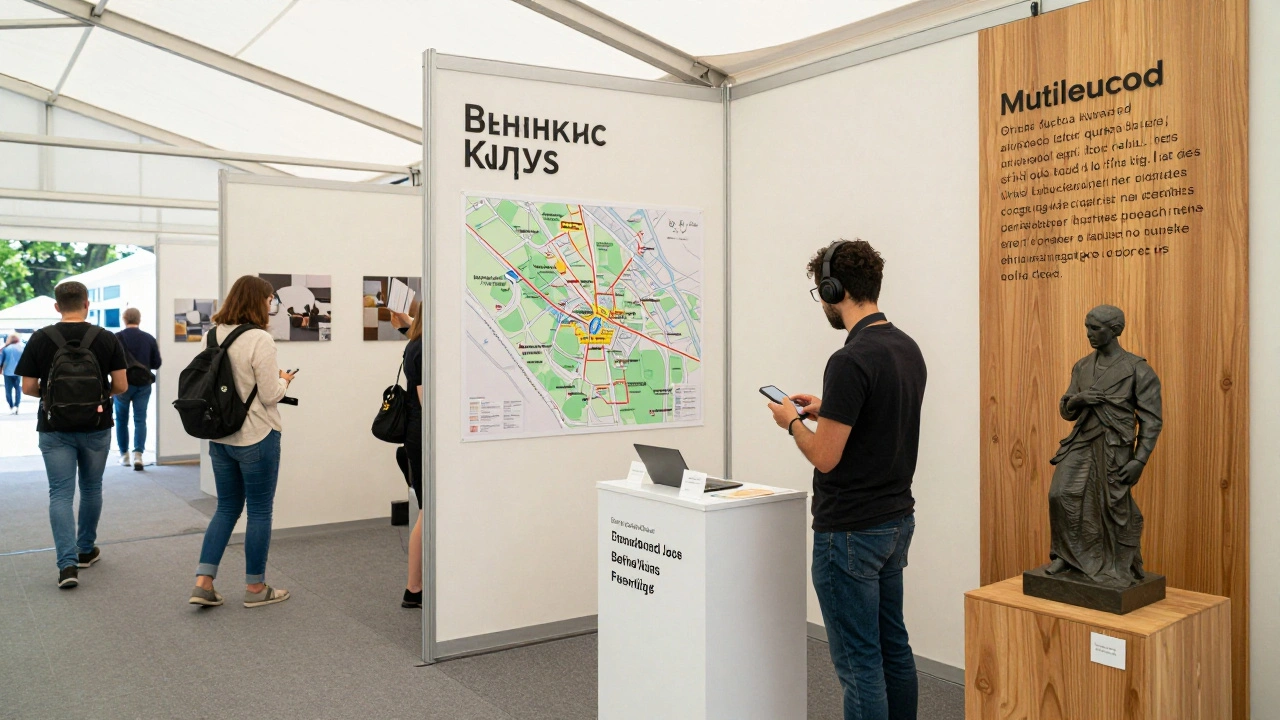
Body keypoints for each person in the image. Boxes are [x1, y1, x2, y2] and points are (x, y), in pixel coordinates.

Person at [765, 239, 927, 720]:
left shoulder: (850, 359)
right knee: (893, 647)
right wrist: (829, 408)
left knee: (859, 665)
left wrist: (792, 423)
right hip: (896, 521)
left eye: (821, 292)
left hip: (851, 532)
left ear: (834, 291)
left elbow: (825, 457)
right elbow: (879, 419)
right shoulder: (906, 347)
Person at [188, 275, 295, 609]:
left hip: (220, 436)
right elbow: (270, 394)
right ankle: (255, 588)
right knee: (260, 510)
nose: (270, 306)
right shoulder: (260, 339)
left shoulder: (212, 334)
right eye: (269, 300)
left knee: (226, 508)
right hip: (256, 436)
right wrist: (284, 380)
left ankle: (203, 583)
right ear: (258, 301)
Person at [15, 281, 128, 589]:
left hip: (54, 427)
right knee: (91, 488)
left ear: (57, 306)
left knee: (60, 494)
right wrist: (98, 397)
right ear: (87, 304)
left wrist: (52, 397)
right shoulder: (106, 338)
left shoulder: (40, 338)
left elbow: (27, 387)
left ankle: (67, 565)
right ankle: (86, 549)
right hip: (97, 425)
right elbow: (121, 385)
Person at [394, 310, 425, 609]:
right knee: (428, 512)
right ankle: (413, 588)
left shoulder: (415, 342)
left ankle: (416, 586)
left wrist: (405, 324)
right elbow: (427, 401)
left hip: (415, 434)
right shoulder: (424, 347)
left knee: (428, 511)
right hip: (423, 435)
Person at [114, 307, 162, 470]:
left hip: (122, 384)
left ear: (124, 319)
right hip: (143, 384)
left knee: (121, 420)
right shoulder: (148, 338)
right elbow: (156, 363)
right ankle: (138, 455)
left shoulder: (117, 338)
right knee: (140, 419)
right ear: (139, 319)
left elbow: (110, 363)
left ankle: (124, 455)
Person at [1, 333, 24, 414]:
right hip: (18, 372)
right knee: (18, 389)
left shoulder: (6, 349)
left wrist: (1, 369)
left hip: (8, 372)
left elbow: (2, 361)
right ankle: (16, 406)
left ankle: (11, 406)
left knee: (8, 391)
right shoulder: (21, 348)